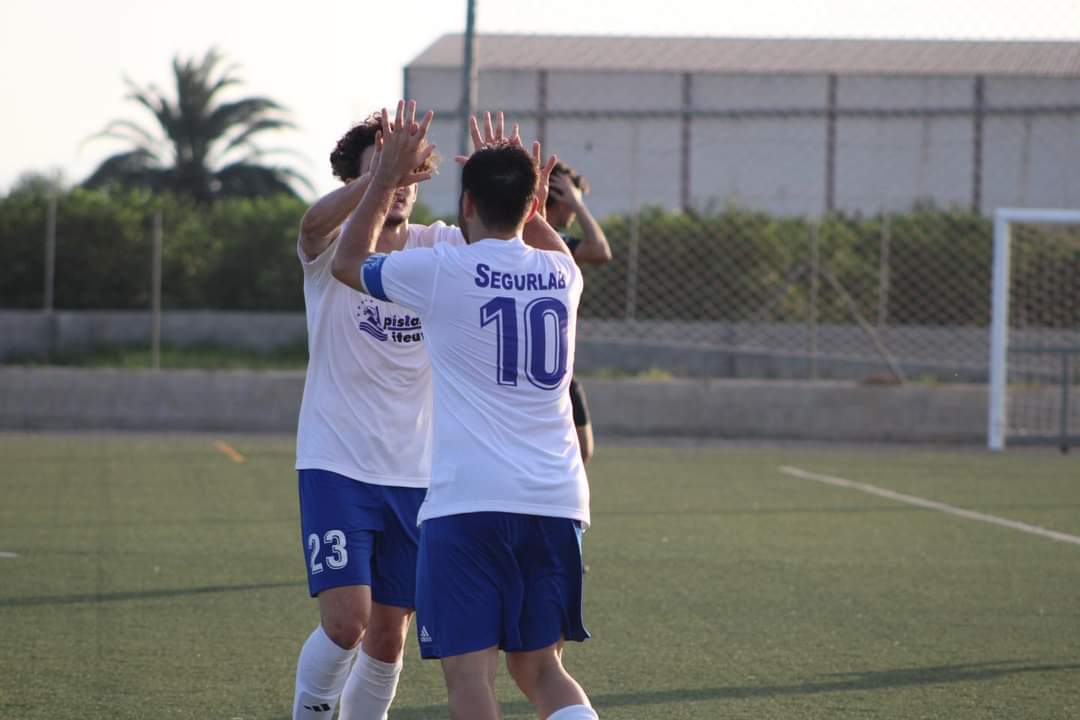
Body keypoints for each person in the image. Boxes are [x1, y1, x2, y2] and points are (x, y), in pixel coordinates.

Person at [331, 100, 598, 720]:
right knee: (541, 669)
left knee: (470, 677)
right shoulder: (564, 275)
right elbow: (541, 235)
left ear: (467, 205)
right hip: (557, 500)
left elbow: (346, 262)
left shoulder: (442, 270)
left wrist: (384, 178)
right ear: (534, 202)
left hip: (469, 504)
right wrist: (523, 188)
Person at [291, 111, 463, 720]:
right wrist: (379, 177)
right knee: (347, 624)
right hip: (335, 462)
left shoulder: (438, 246)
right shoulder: (330, 248)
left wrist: (511, 180)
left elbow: (496, 237)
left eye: (407, 174)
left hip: (417, 474)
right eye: (380, 172)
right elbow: (311, 223)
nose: (397, 186)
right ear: (354, 180)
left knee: (389, 639)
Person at [546, 162, 612, 465]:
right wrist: (576, 203)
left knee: (581, 450)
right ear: (560, 197)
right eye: (573, 201)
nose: (574, 211)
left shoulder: (556, 240)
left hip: (558, 365)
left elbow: (600, 252)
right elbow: (600, 249)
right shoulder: (540, 239)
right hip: (536, 367)